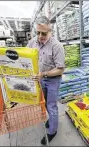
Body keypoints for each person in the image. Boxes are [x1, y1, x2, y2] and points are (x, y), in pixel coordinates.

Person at [27, 16, 65, 145]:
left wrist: (44, 74)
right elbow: (25, 58)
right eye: (38, 32)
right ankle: (51, 119)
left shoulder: (57, 46)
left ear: (50, 31)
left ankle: (52, 131)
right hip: (40, 79)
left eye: (44, 33)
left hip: (53, 80)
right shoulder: (32, 43)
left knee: (52, 105)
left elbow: (60, 69)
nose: (40, 36)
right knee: (43, 103)